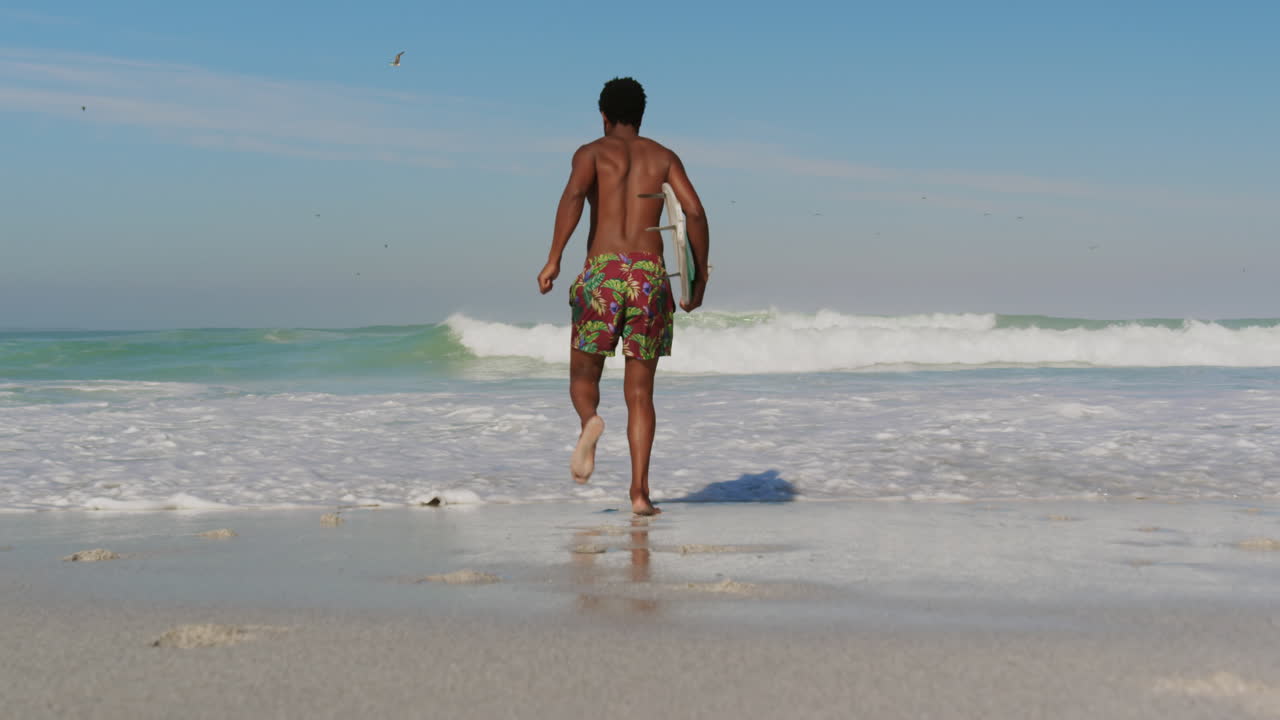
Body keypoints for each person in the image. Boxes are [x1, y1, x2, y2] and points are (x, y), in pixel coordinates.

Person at [537, 77, 709, 516]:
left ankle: (589, 422)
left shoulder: (591, 153)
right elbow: (693, 210)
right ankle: (639, 494)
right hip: (650, 276)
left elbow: (573, 197)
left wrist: (554, 259)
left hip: (604, 271)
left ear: (603, 115)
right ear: (642, 115)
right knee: (640, 394)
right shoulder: (663, 156)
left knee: (583, 376)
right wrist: (697, 277)